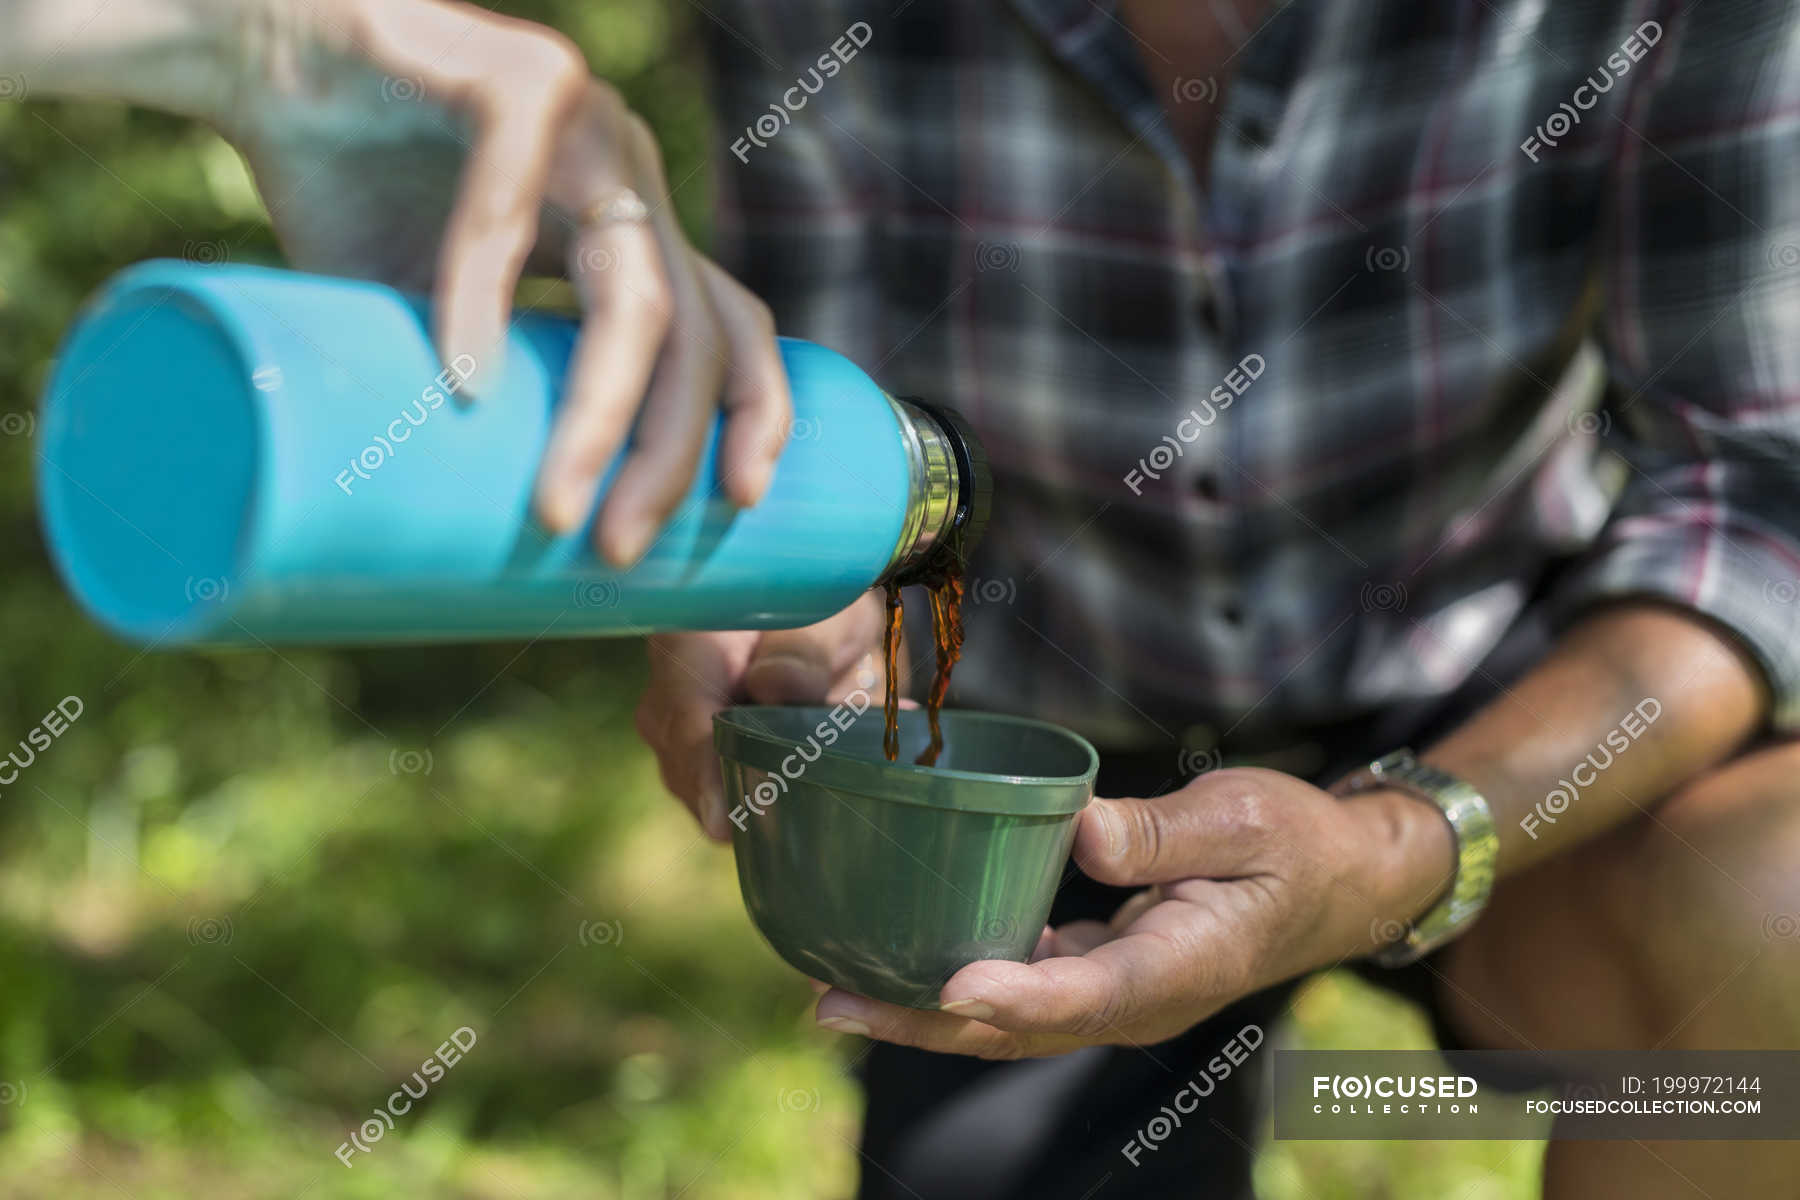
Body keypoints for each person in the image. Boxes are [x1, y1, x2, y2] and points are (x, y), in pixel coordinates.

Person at [10, 1, 1800, 1197]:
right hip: (1012, 771)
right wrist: (759, 590)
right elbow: (788, 398)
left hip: (1483, 691)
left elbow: (1755, 495)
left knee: (1776, 926)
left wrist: (1419, 843)